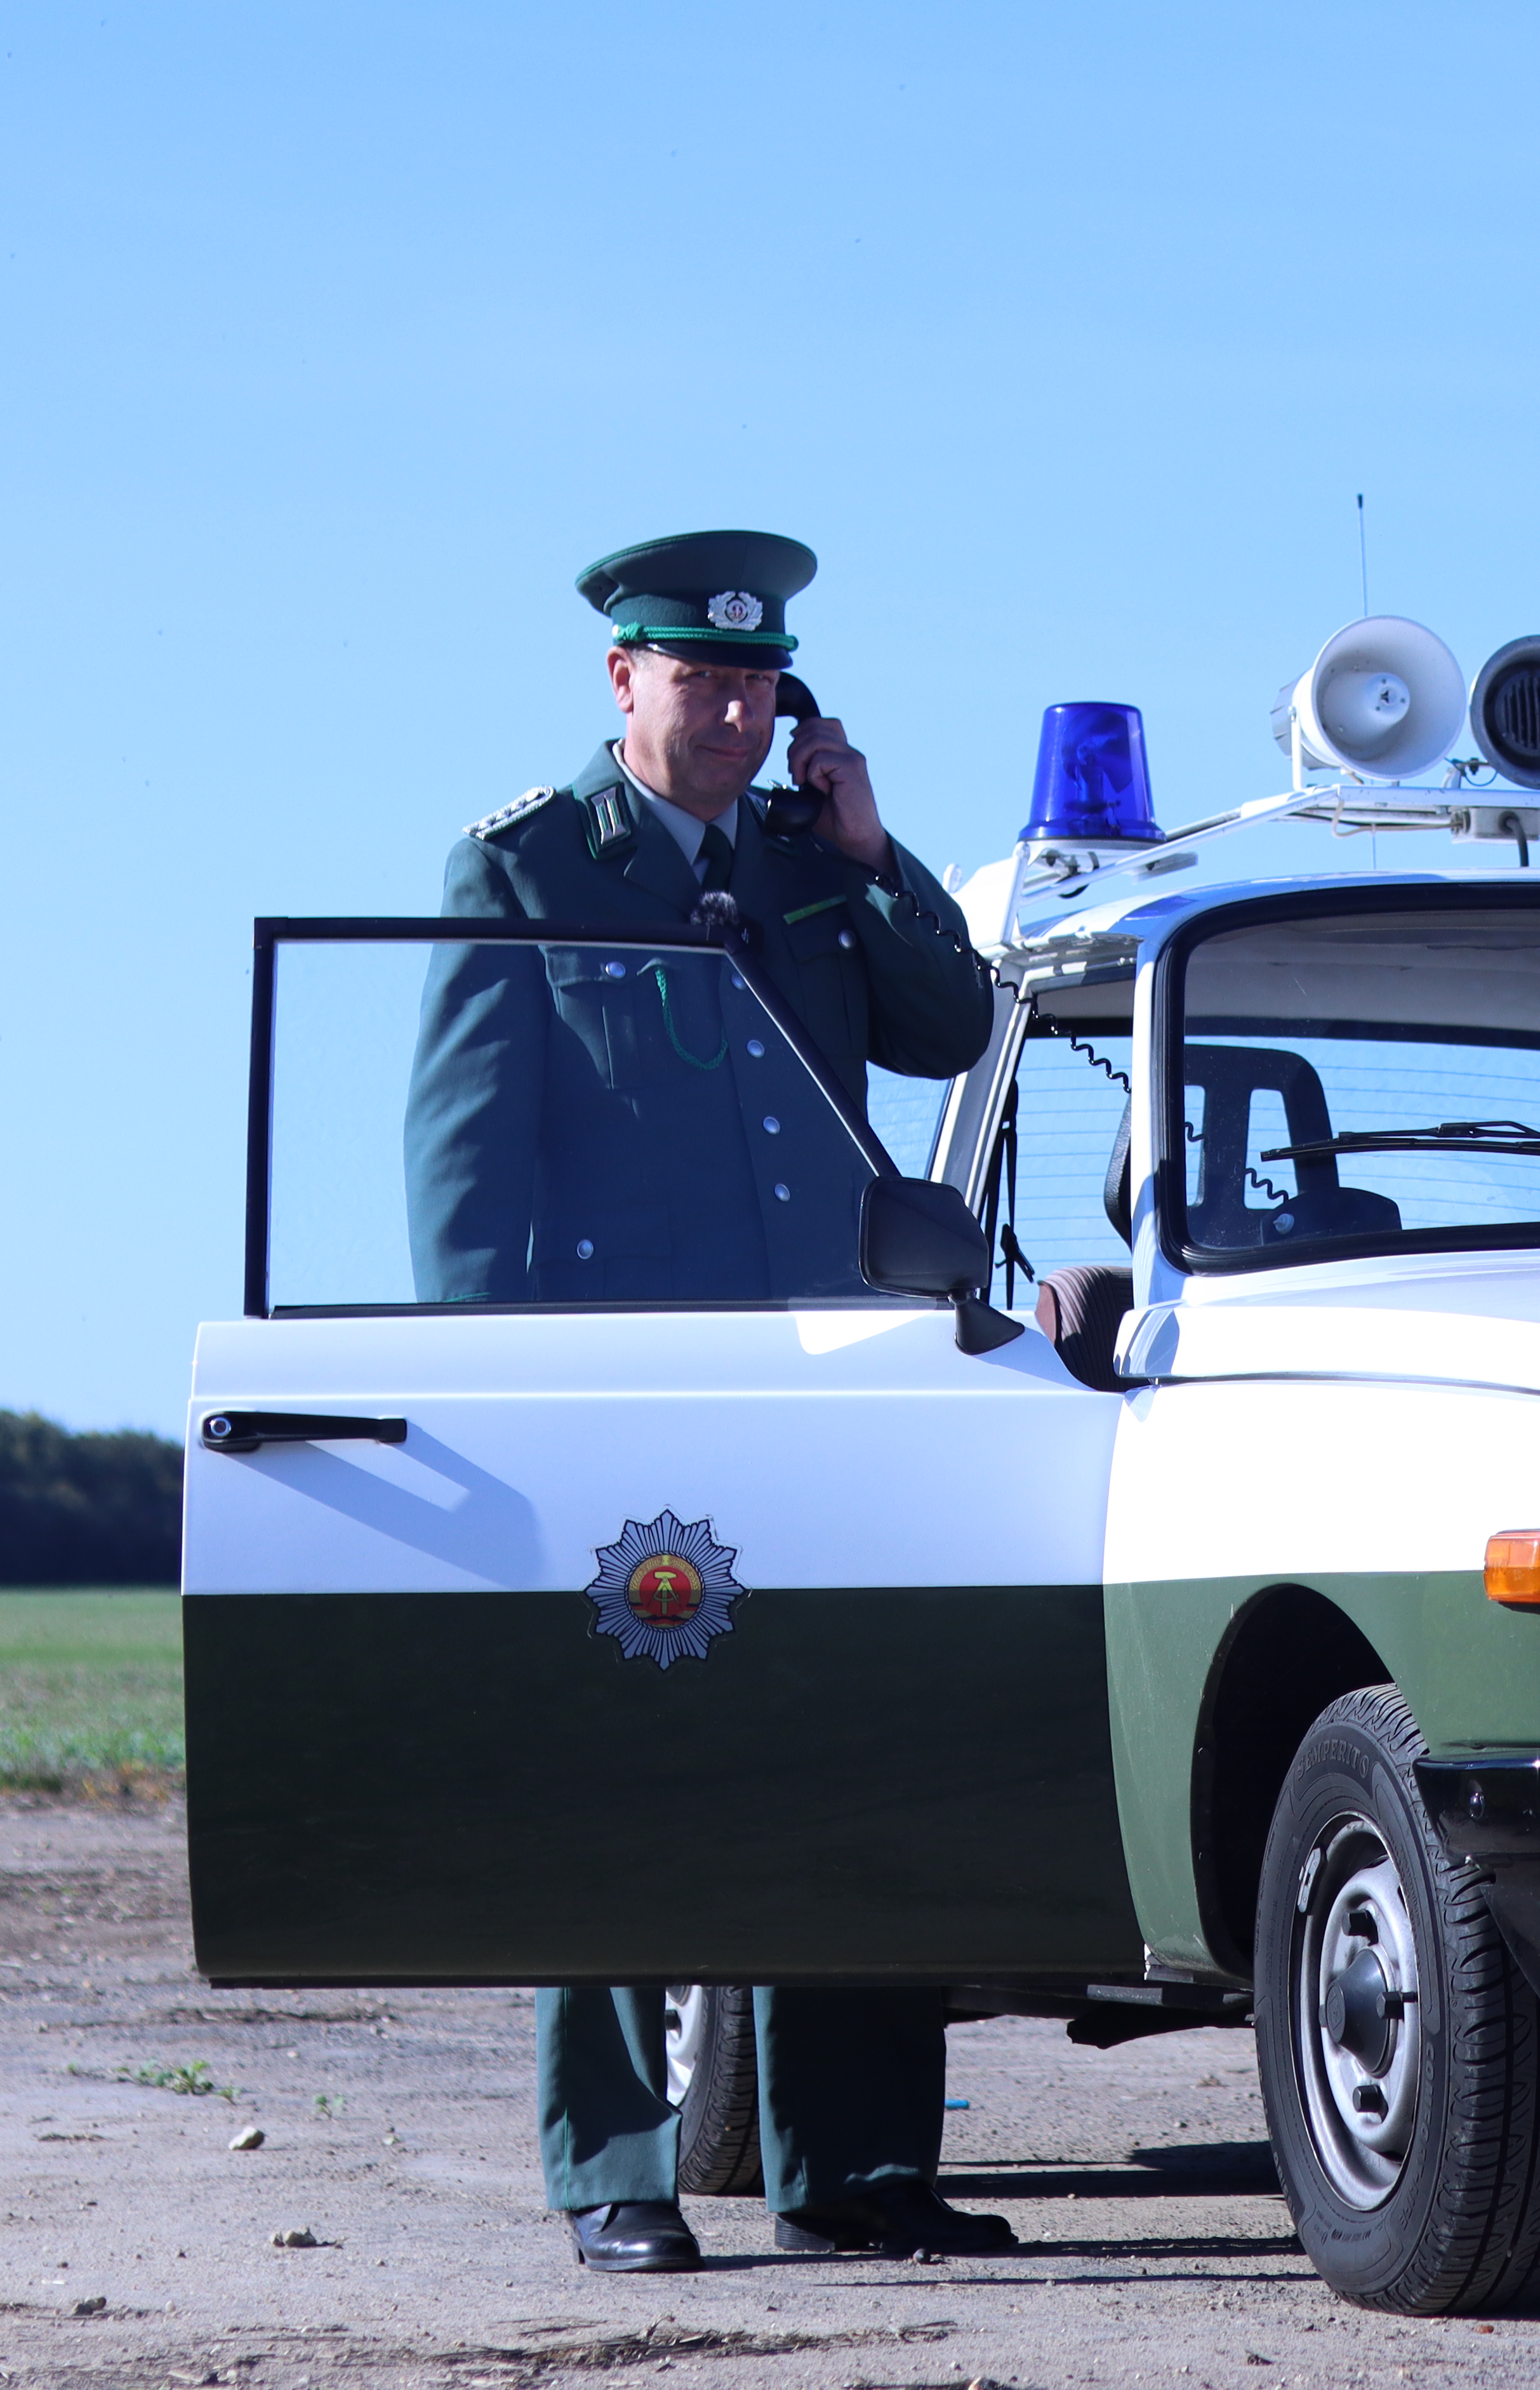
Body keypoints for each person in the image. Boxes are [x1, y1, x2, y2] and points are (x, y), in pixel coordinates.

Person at [411, 529, 1007, 2273]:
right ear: (625, 682)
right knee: (621, 1779)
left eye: (759, 680)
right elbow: (468, 1173)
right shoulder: (524, 868)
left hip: (821, 1394)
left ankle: (857, 2171)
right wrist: (507, 1394)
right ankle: (616, 2169)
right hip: (627, 1395)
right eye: (699, 676)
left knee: (851, 1760)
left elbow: (951, 1027)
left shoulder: (814, 867)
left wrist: (871, 847)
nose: (734, 706)